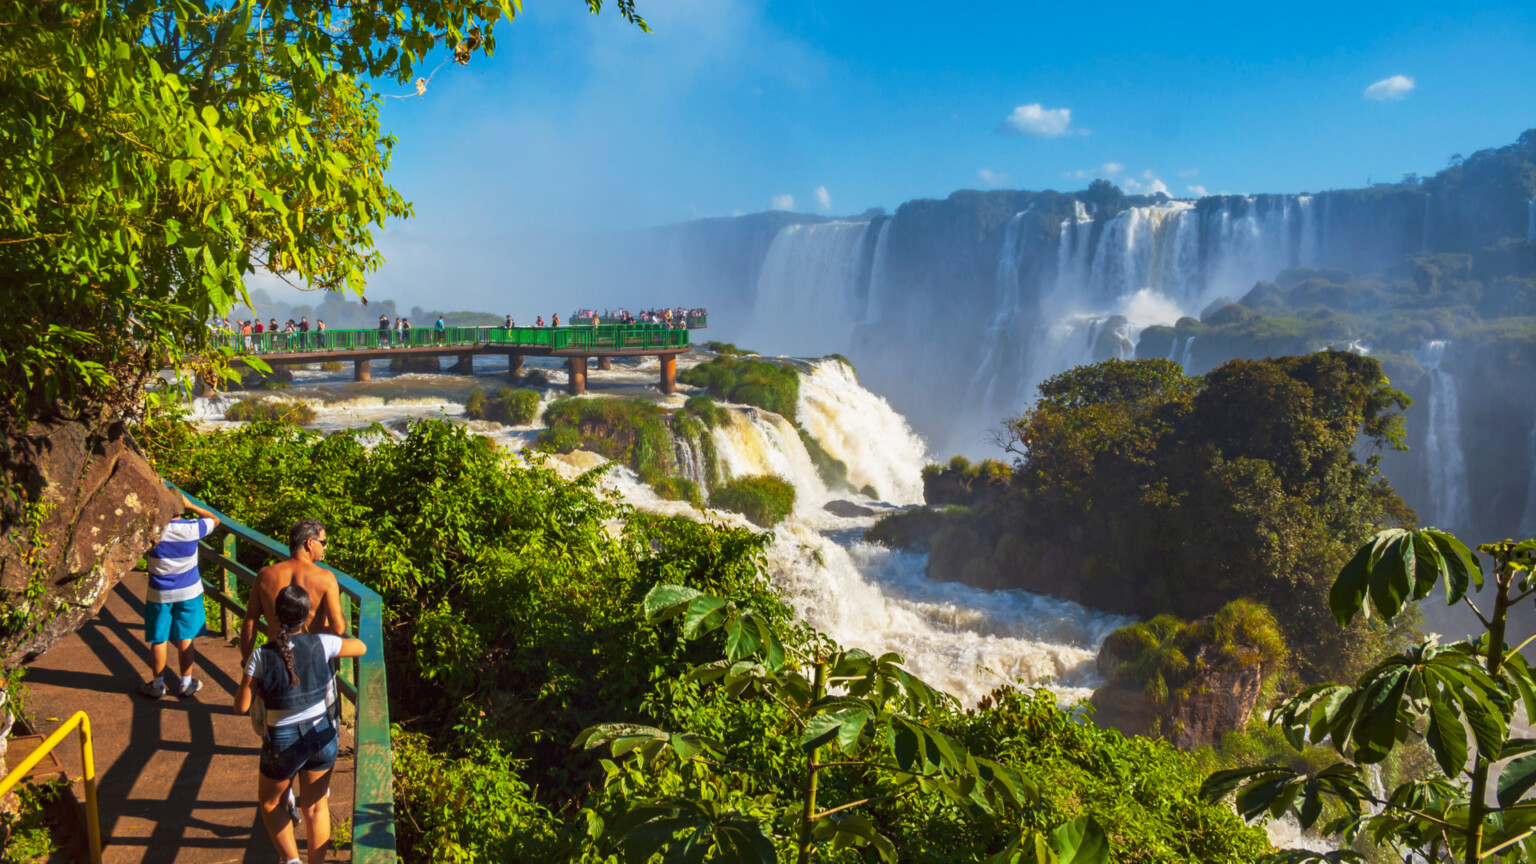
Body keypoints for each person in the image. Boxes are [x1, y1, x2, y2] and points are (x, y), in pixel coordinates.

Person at [236, 585, 366, 864]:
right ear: (306, 615)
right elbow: (361, 646)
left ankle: (291, 860)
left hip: (282, 742)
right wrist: (330, 631)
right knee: (317, 806)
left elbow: (241, 705)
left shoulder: (261, 655)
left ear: (275, 614)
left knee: (272, 804)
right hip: (321, 734)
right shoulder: (322, 643)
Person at [139, 491, 220, 699]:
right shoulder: (192, 528)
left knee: (159, 639)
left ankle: (157, 685)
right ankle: (185, 683)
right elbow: (215, 520)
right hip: (189, 591)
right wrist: (192, 505)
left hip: (159, 593)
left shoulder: (153, 529)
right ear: (180, 507)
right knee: (185, 638)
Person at [241, 519, 345, 666]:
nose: (326, 547)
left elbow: (250, 621)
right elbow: (338, 628)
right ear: (309, 543)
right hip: (311, 662)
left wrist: (247, 663)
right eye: (323, 542)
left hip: (275, 660)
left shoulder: (265, 575)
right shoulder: (325, 578)